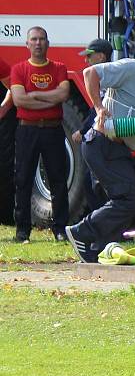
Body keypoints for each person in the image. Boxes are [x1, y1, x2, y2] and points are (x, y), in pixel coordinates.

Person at [65, 29, 135, 263]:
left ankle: (96, 246)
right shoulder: (132, 68)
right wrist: (99, 108)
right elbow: (90, 74)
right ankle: (81, 231)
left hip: (120, 150)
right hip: (100, 143)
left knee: (129, 198)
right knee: (131, 198)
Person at [8, 26, 70, 243]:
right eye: (33, 39)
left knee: (58, 180)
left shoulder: (59, 68)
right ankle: (22, 231)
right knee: (23, 179)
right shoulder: (19, 69)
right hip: (27, 129)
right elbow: (19, 100)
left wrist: (33, 94)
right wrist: (48, 97)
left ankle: (61, 229)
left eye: (42, 39)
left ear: (48, 43)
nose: (38, 43)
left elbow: (63, 93)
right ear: (27, 44)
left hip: (53, 129)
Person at [71, 38, 114, 213]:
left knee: (95, 185)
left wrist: (82, 131)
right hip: (108, 139)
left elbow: (99, 112)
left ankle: (104, 225)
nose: (86, 60)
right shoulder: (108, 77)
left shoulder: (108, 80)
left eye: (90, 56)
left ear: (102, 57)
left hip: (107, 140)